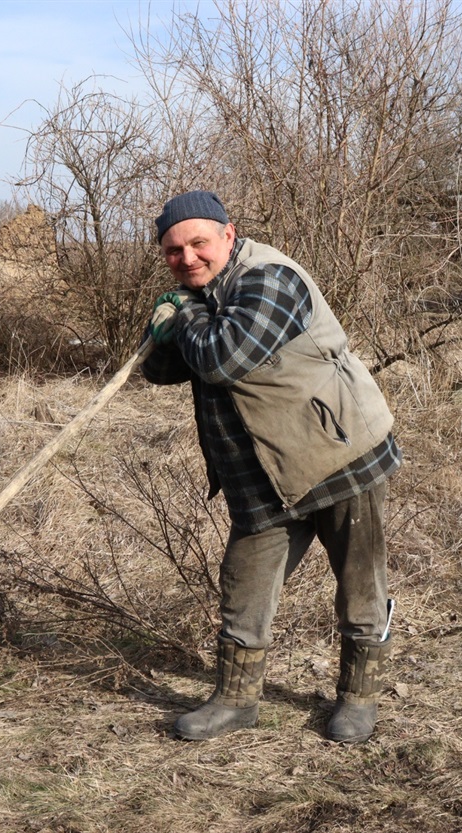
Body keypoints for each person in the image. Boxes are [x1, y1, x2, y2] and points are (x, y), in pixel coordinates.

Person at [141, 190, 401, 744]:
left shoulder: (270, 279)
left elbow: (222, 357)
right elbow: (160, 371)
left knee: (360, 583)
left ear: (228, 235)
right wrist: (167, 327)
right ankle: (236, 701)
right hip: (261, 476)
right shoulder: (202, 293)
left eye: (198, 244)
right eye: (173, 251)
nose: (187, 258)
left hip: (337, 456)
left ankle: (359, 698)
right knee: (244, 588)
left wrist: (184, 317)